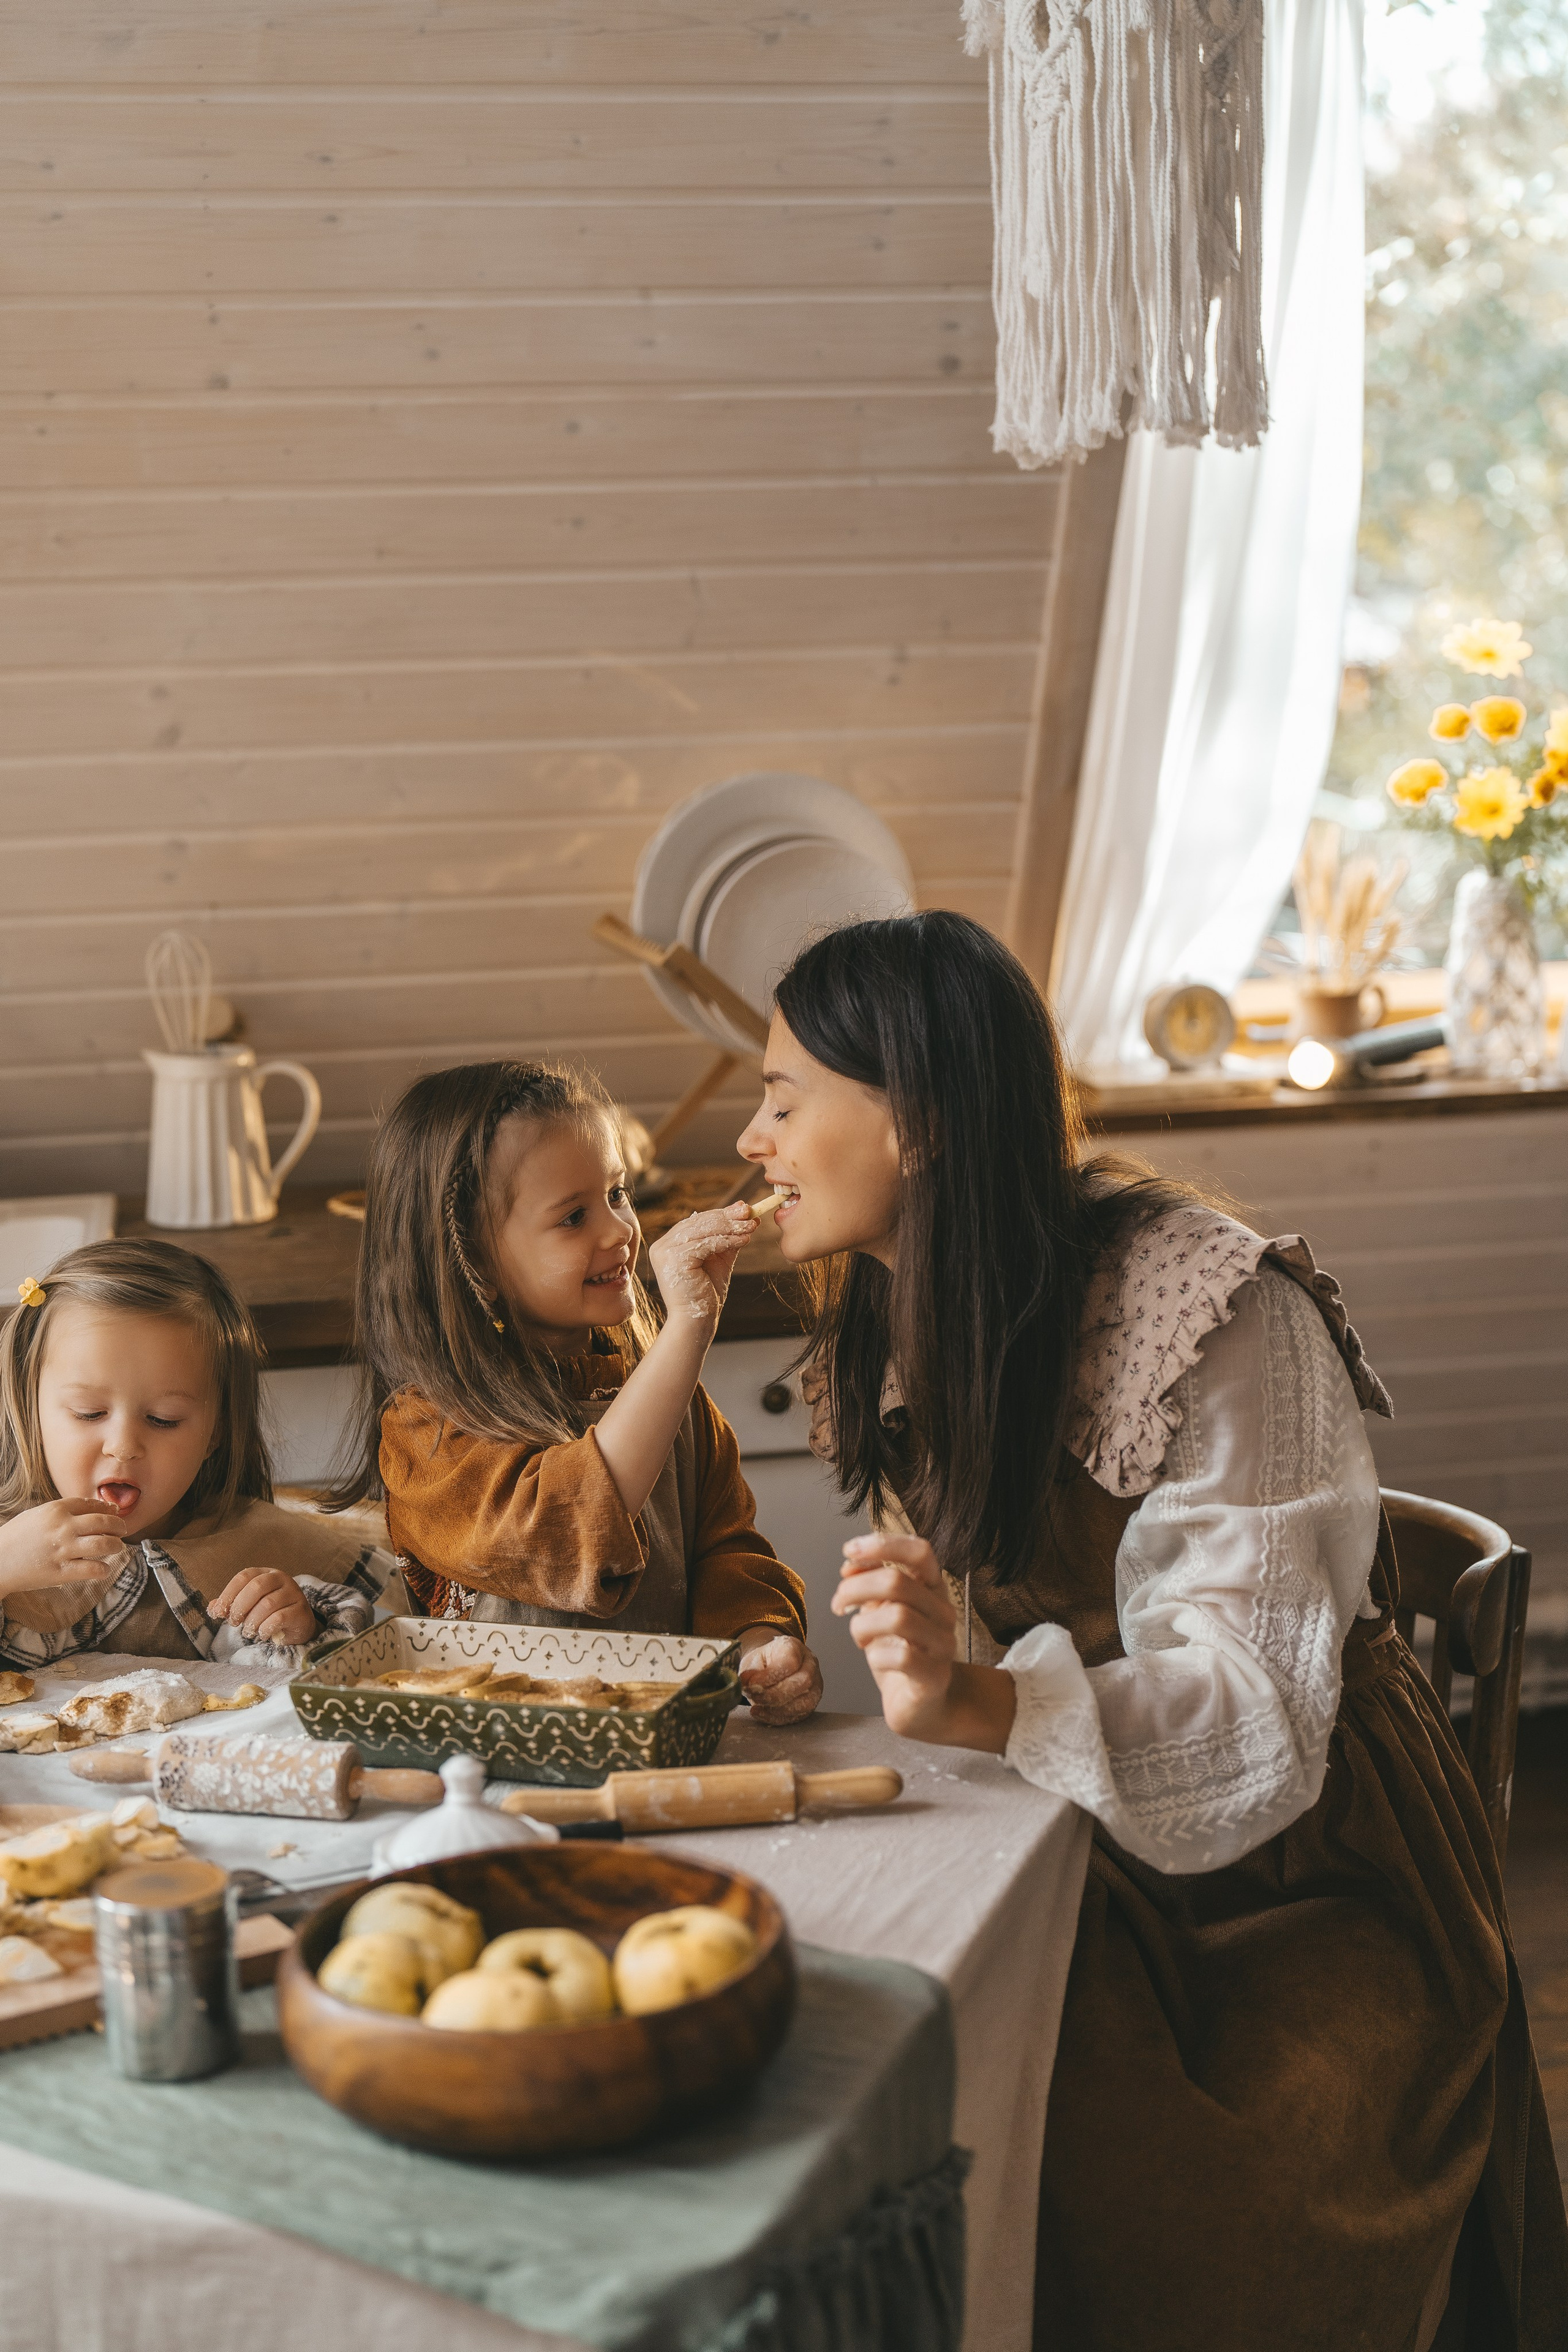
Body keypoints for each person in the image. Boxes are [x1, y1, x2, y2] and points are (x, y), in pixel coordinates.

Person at [736, 910, 1568, 2351]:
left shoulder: (1209, 1304)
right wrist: (903, 1652)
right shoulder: (905, 1304)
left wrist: (985, 1704)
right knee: (848, 2010)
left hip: (1304, 1873)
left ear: (918, 1118)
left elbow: (1251, 1695)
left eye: (782, 1095)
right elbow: (982, 1618)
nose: (752, 1135)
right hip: (1080, 1815)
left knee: (1042, 2112)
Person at [338, 1060, 820, 1724]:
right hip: (502, 1767)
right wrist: (687, 1332)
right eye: (572, 1217)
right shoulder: (428, 1431)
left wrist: (759, 1642)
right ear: (472, 1262)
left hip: (664, 1743)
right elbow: (560, 1531)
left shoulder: (664, 1388)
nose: (620, 1231)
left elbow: (725, 1550)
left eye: (617, 1194)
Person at [0, 1238, 385, 1669]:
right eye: (88, 1413)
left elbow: (392, 1653)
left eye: (164, 1419)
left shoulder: (265, 1543)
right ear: (30, 1409)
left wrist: (302, 1629)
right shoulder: (7, 1541)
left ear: (216, 1432)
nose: (124, 1447)